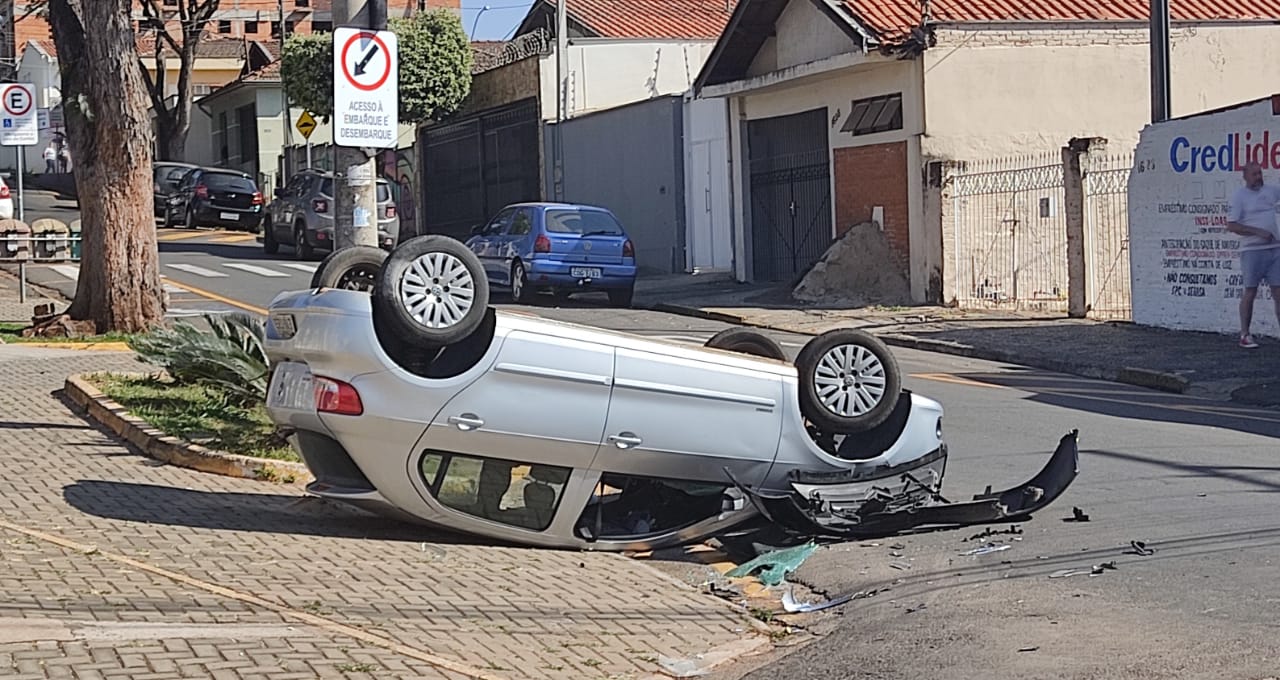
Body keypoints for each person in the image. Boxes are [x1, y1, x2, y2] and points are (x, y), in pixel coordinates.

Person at [1226, 160, 1280, 348]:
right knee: (1251, 290)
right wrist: (1258, 232)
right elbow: (1232, 224)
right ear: (1245, 177)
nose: (1259, 177)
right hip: (1252, 251)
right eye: (1254, 174)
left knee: (1278, 291)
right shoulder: (1240, 197)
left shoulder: (1271, 191)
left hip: (1274, 249)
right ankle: (1245, 334)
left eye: (1260, 173)